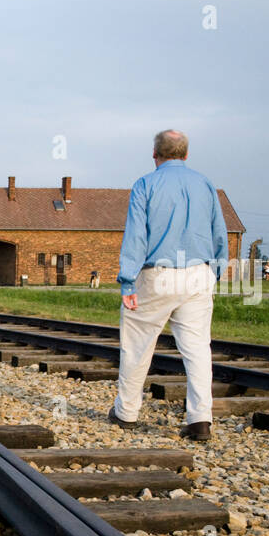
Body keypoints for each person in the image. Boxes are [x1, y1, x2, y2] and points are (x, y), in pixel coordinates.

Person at [111, 129, 228, 442]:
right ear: (186, 154)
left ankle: (127, 411)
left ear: (154, 154)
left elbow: (136, 236)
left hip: (157, 274)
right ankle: (200, 419)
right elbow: (220, 231)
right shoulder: (205, 184)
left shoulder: (146, 185)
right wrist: (215, 271)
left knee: (137, 344)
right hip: (199, 274)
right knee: (197, 349)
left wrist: (127, 282)